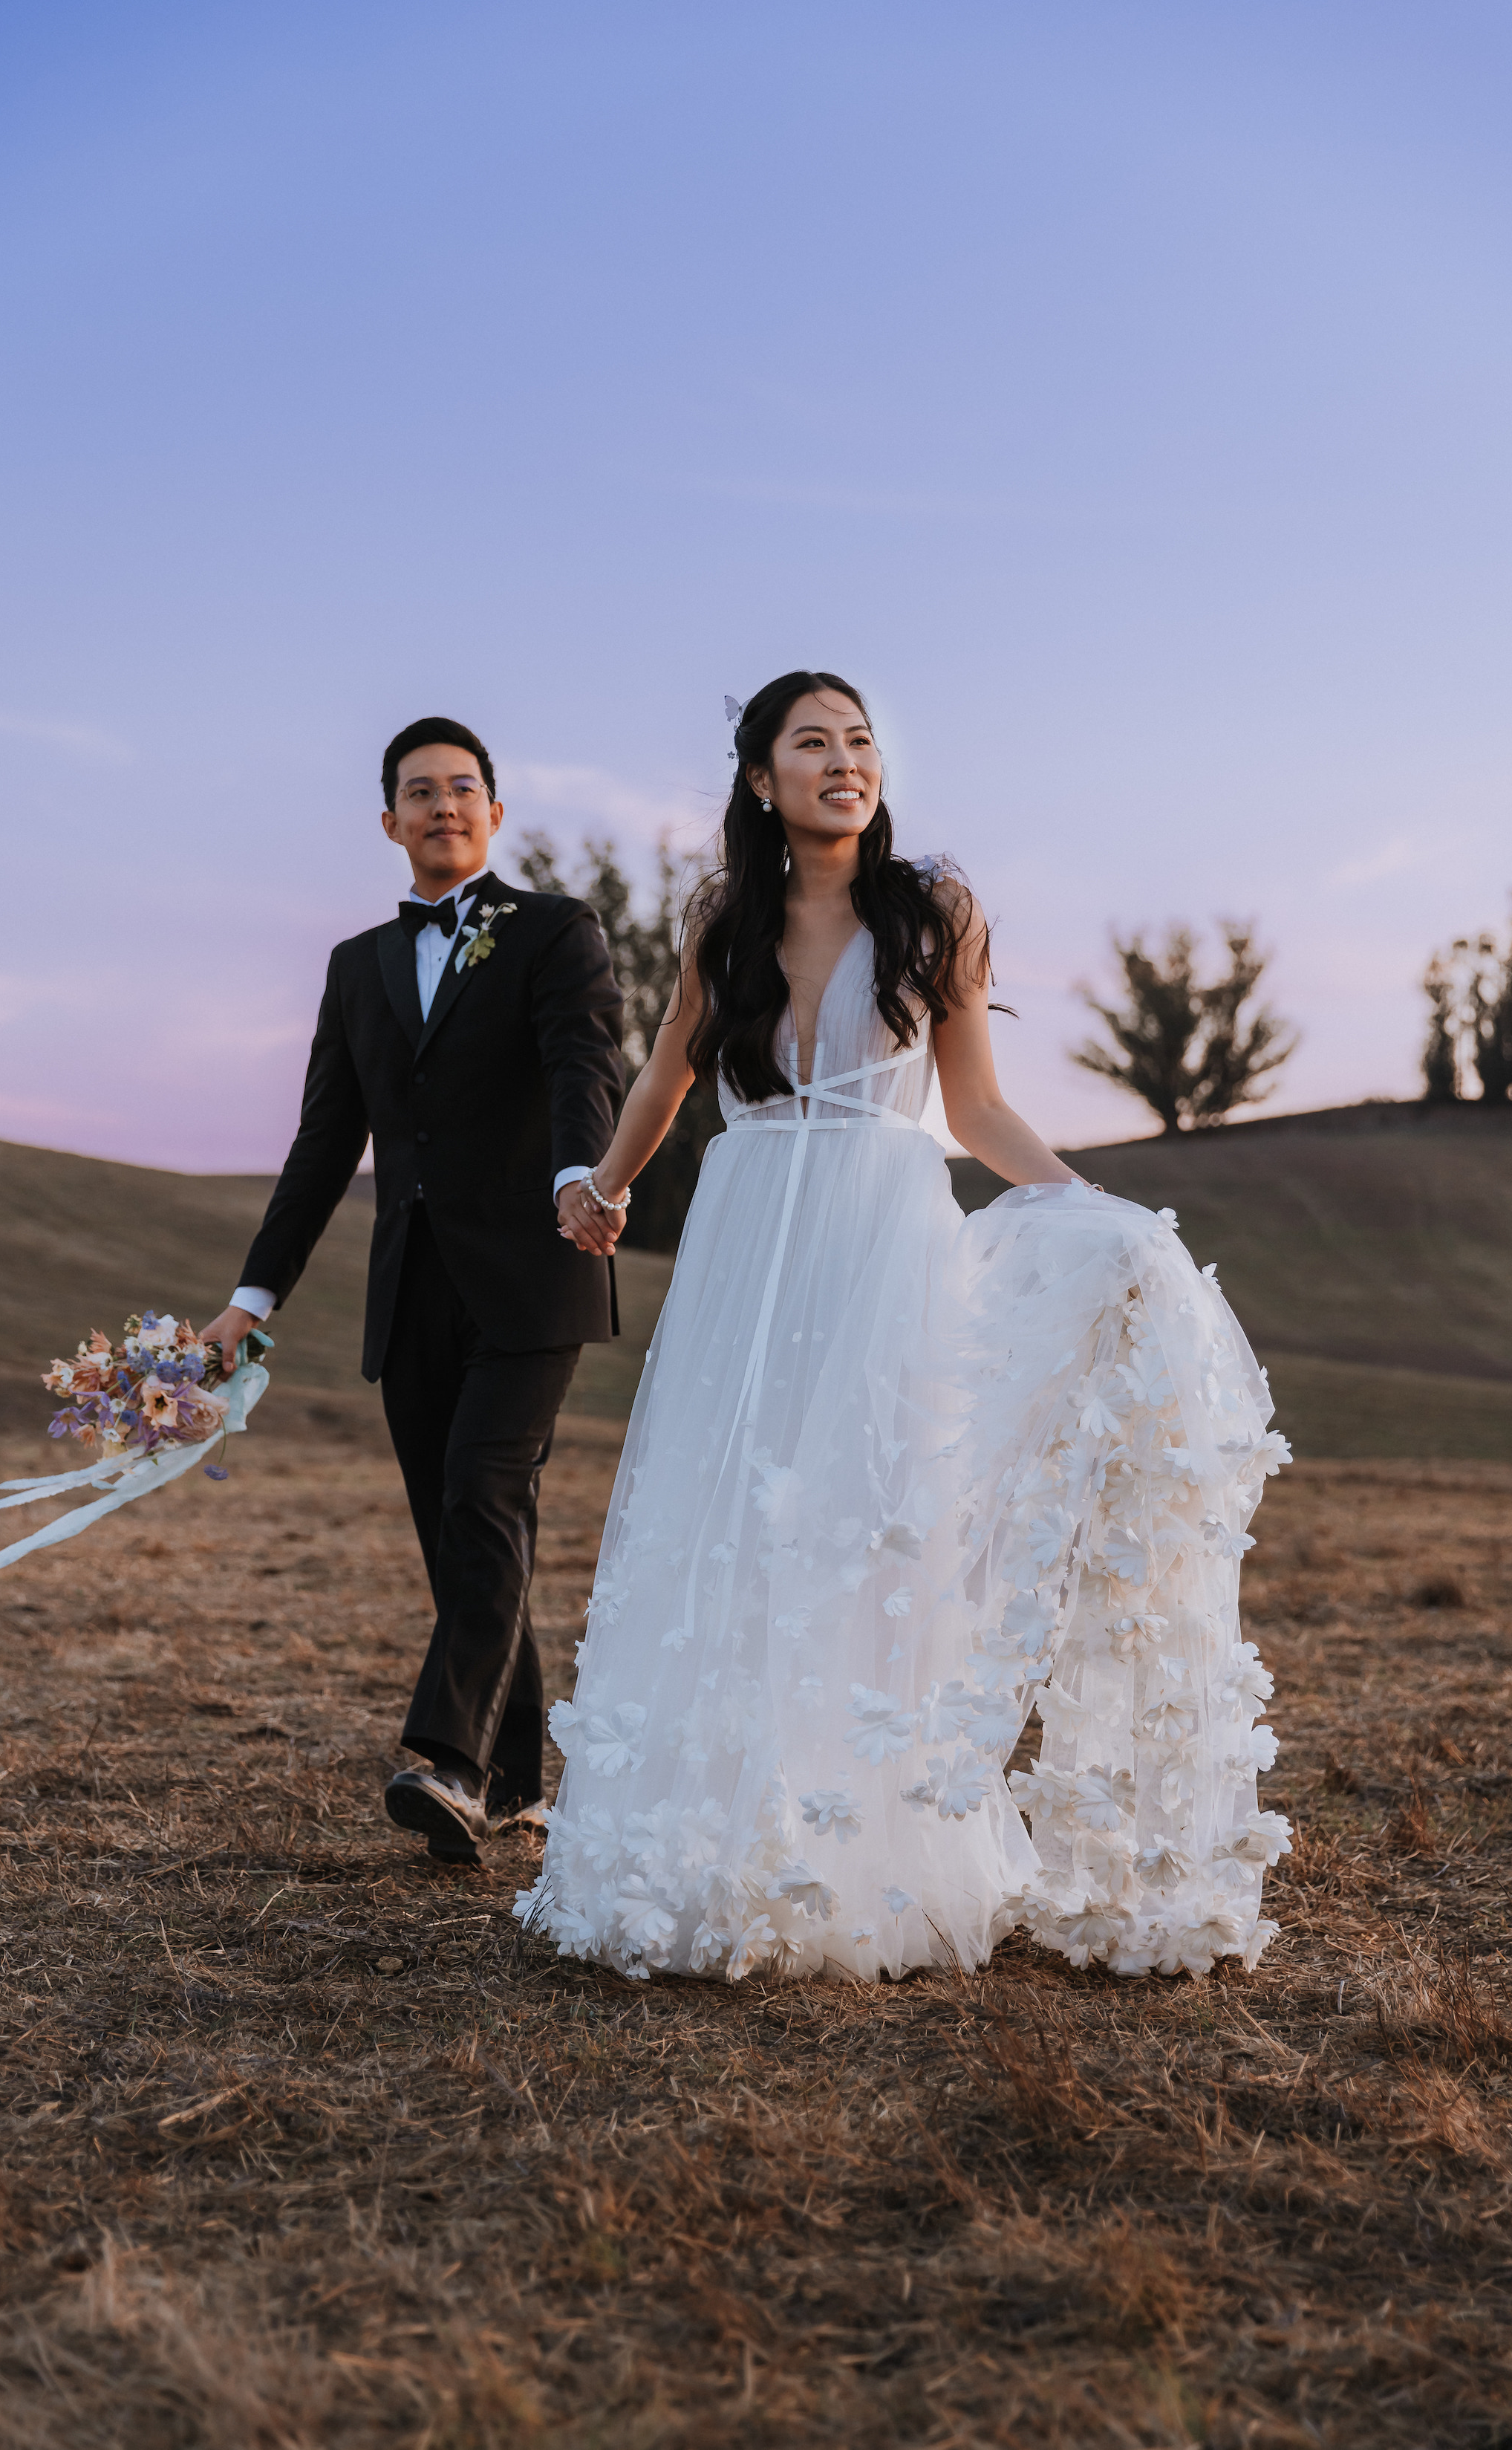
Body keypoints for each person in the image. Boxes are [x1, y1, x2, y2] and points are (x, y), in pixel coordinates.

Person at [518, 672, 1291, 1985]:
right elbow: (670, 1068)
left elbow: (977, 1109)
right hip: (749, 1231)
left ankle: (865, 1842)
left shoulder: (935, 909)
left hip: (884, 1229)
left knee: (878, 1517)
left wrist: (1098, 1214)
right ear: (760, 778)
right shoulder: (725, 918)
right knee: (731, 1511)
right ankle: (704, 1844)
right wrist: (606, 1180)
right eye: (812, 742)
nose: (846, 761)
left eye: (862, 741)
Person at [202, 717, 624, 1863]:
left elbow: (588, 1060)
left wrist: (580, 1173)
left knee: (487, 1495)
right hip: (411, 1289)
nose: (444, 805)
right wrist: (254, 1297)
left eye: (464, 788)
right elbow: (323, 1144)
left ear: (495, 811)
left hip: (537, 1270)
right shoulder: (356, 966)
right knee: (460, 1533)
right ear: (388, 821)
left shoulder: (554, 932)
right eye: (420, 792)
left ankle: (447, 1758)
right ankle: (520, 1781)